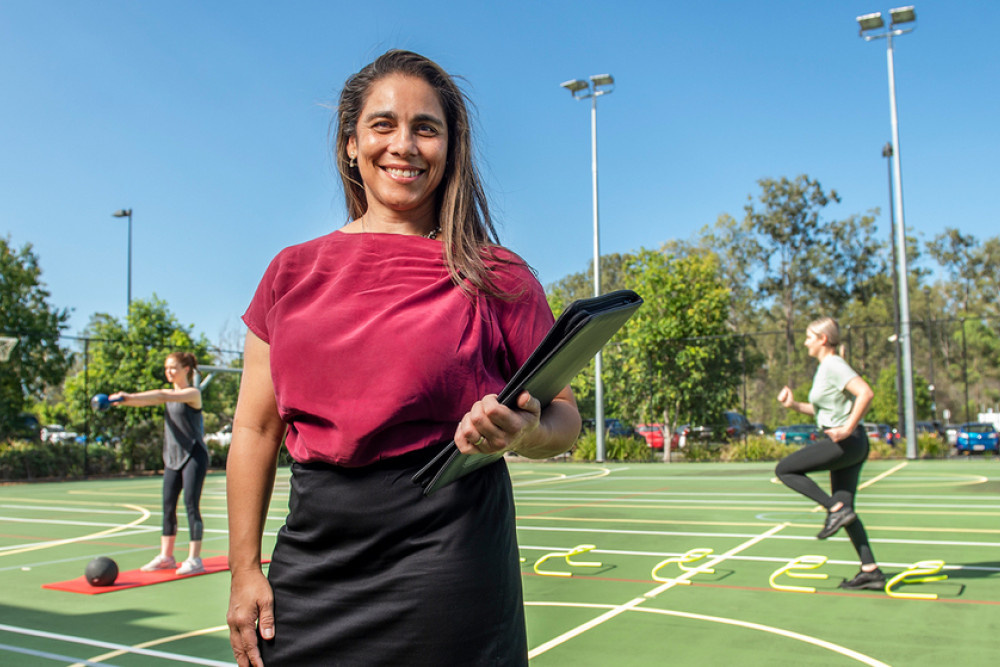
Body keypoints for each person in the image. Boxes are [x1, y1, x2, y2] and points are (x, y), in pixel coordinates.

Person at [225, 49, 581, 667]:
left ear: (450, 147)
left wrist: (523, 433)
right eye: (384, 125)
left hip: (449, 560)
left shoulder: (498, 274)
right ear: (349, 144)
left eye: (426, 128)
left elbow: (565, 421)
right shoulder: (290, 271)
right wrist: (244, 571)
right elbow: (255, 430)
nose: (405, 145)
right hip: (314, 560)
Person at [774, 317, 885, 590]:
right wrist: (794, 405)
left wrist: (847, 427)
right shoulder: (826, 367)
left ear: (823, 339)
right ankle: (870, 569)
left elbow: (865, 393)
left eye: (809, 337)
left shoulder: (833, 365)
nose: (805, 342)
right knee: (848, 510)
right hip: (851, 445)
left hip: (845, 442)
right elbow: (822, 411)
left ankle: (833, 508)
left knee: (784, 470)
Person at [111, 351, 207, 576]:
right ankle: (167, 556)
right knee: (167, 506)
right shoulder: (169, 395)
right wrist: (126, 401)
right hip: (171, 457)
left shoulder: (192, 393)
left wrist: (130, 394)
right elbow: (154, 398)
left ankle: (194, 558)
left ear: (186, 369)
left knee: (191, 505)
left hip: (194, 455)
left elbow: (162, 396)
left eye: (173, 367)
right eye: (166, 368)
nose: (169, 372)